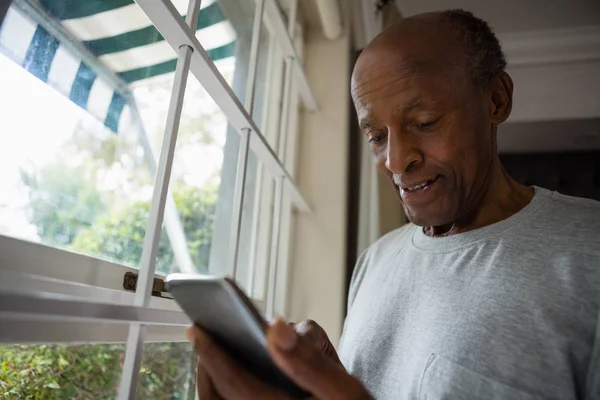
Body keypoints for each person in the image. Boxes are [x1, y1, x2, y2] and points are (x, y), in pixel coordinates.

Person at [185, 9, 600, 399]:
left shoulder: (590, 251)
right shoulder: (374, 261)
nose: (396, 161)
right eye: (377, 136)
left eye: (423, 123)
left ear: (496, 99)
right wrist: (328, 373)